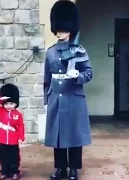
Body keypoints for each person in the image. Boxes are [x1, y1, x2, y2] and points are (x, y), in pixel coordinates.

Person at [43, 1, 93, 180]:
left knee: (74, 135)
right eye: (58, 30)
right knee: (58, 137)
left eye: (63, 30)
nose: (60, 33)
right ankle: (60, 169)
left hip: (74, 97)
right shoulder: (50, 52)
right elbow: (46, 79)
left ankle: (73, 169)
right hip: (56, 97)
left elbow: (89, 73)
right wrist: (46, 101)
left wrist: (77, 75)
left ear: (70, 30)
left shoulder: (79, 50)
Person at [0, 83, 25, 180]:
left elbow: (20, 126)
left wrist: (21, 137)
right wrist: (1, 98)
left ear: (15, 103)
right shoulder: (1, 111)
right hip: (2, 138)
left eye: (11, 103)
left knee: (14, 156)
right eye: (6, 104)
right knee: (3, 156)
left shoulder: (18, 115)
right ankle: (5, 171)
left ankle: (15, 171)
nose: (8, 106)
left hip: (13, 139)